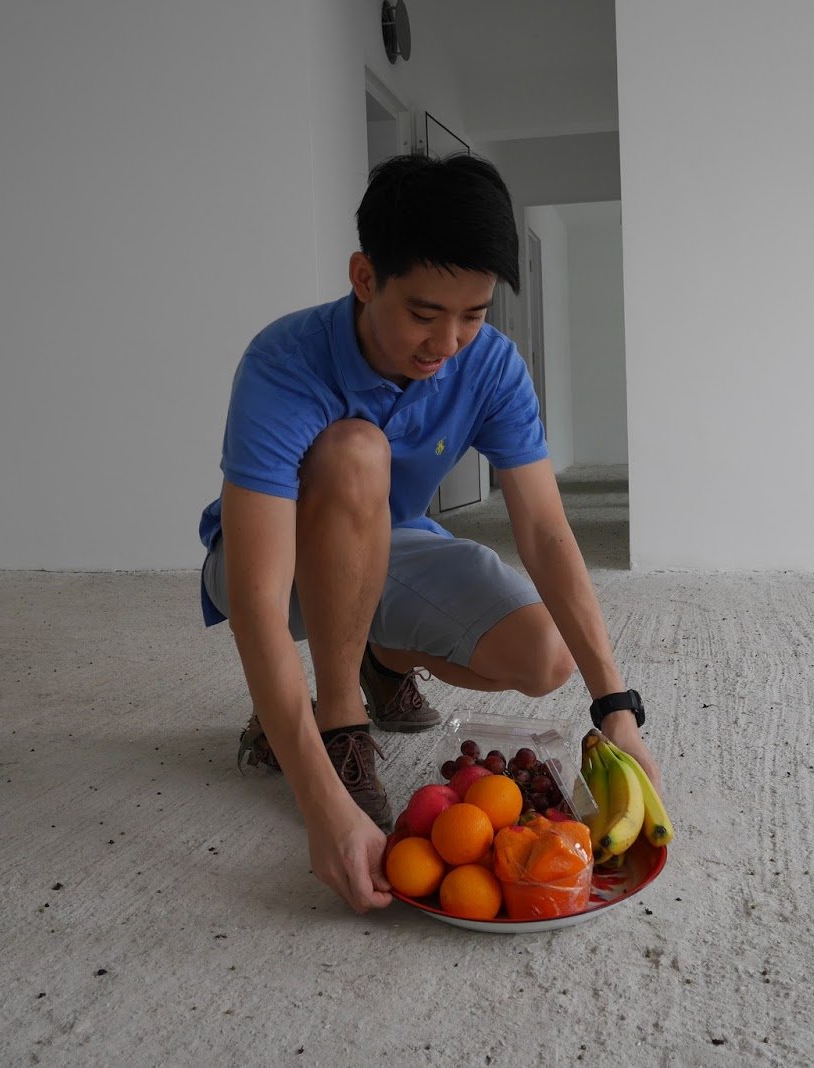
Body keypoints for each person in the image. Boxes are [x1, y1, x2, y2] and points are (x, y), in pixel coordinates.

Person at [198, 153, 662, 913]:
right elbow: (253, 597)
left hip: (388, 548)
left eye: (473, 315)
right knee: (356, 451)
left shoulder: (491, 365)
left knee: (544, 656)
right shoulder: (283, 362)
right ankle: (341, 713)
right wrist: (323, 807)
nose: (447, 342)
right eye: (423, 313)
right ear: (363, 277)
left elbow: (546, 532)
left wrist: (617, 707)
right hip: (270, 568)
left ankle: (379, 659)